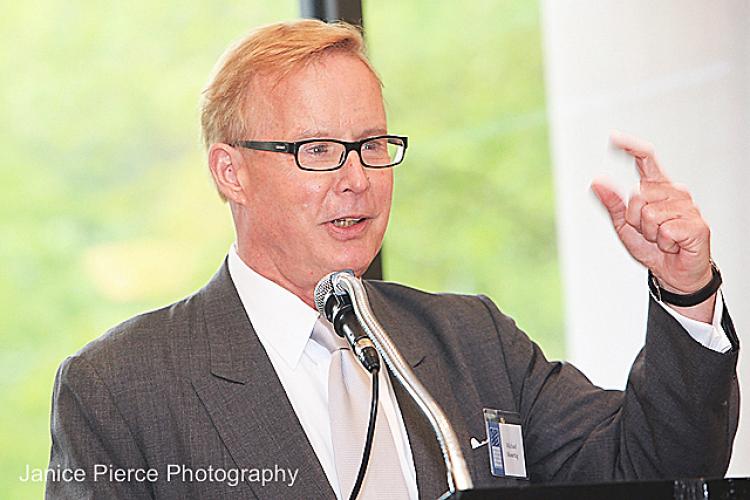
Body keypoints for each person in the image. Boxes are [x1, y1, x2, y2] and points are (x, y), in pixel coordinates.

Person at [46, 19, 739, 500]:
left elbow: (655, 470)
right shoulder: (121, 388)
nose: (358, 179)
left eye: (372, 145)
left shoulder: (470, 343)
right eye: (316, 151)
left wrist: (684, 291)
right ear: (231, 173)